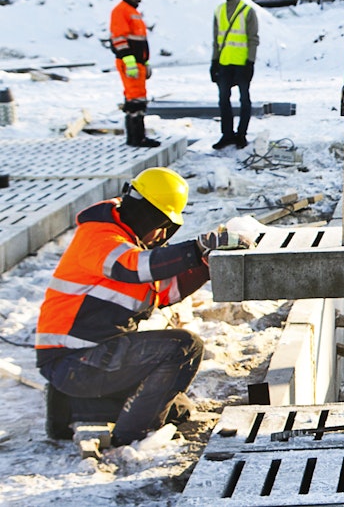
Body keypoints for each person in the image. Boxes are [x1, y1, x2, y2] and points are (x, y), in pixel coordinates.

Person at [34, 167, 254, 447]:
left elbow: (164, 292)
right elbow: (135, 267)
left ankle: (69, 409)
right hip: (74, 361)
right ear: (148, 216)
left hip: (86, 359)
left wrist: (204, 265)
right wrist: (194, 250)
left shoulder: (130, 245)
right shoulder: (101, 238)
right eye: (162, 225)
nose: (163, 234)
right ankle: (132, 439)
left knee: (177, 409)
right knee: (184, 347)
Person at [110, 0, 160, 148]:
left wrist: (144, 62)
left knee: (138, 99)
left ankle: (137, 137)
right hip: (129, 64)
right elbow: (119, 39)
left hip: (137, 63)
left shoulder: (132, 12)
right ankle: (136, 138)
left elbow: (139, 42)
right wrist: (130, 62)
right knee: (134, 101)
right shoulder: (121, 11)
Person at [211, 0, 259, 150]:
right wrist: (214, 61)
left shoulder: (247, 11)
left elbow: (253, 39)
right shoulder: (219, 10)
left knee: (244, 100)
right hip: (224, 63)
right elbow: (216, 39)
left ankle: (241, 134)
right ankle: (227, 134)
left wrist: (250, 62)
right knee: (223, 100)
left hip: (242, 63)